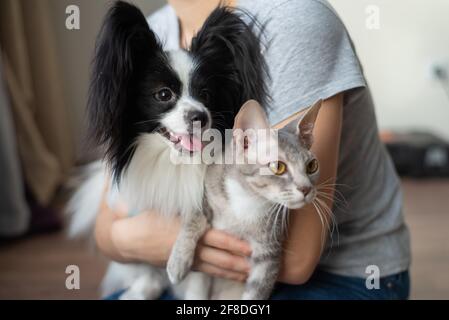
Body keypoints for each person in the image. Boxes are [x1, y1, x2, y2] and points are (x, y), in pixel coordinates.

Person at [95, 0, 411, 299]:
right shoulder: (152, 28)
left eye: (203, 94)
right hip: (198, 268)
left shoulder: (292, 20)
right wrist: (129, 239)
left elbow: (295, 261)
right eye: (164, 94)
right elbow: (107, 228)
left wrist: (156, 240)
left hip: (342, 274)